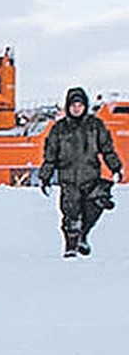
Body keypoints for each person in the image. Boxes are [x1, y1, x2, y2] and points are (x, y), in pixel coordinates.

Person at [39, 86, 123, 257]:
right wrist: (45, 177)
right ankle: (71, 248)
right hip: (69, 179)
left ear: (85, 106)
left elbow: (107, 149)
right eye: (73, 105)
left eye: (80, 105)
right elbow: (50, 156)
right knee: (71, 213)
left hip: (91, 176)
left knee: (98, 203)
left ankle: (82, 236)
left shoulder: (95, 126)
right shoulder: (59, 129)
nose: (76, 108)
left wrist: (115, 167)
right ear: (68, 107)